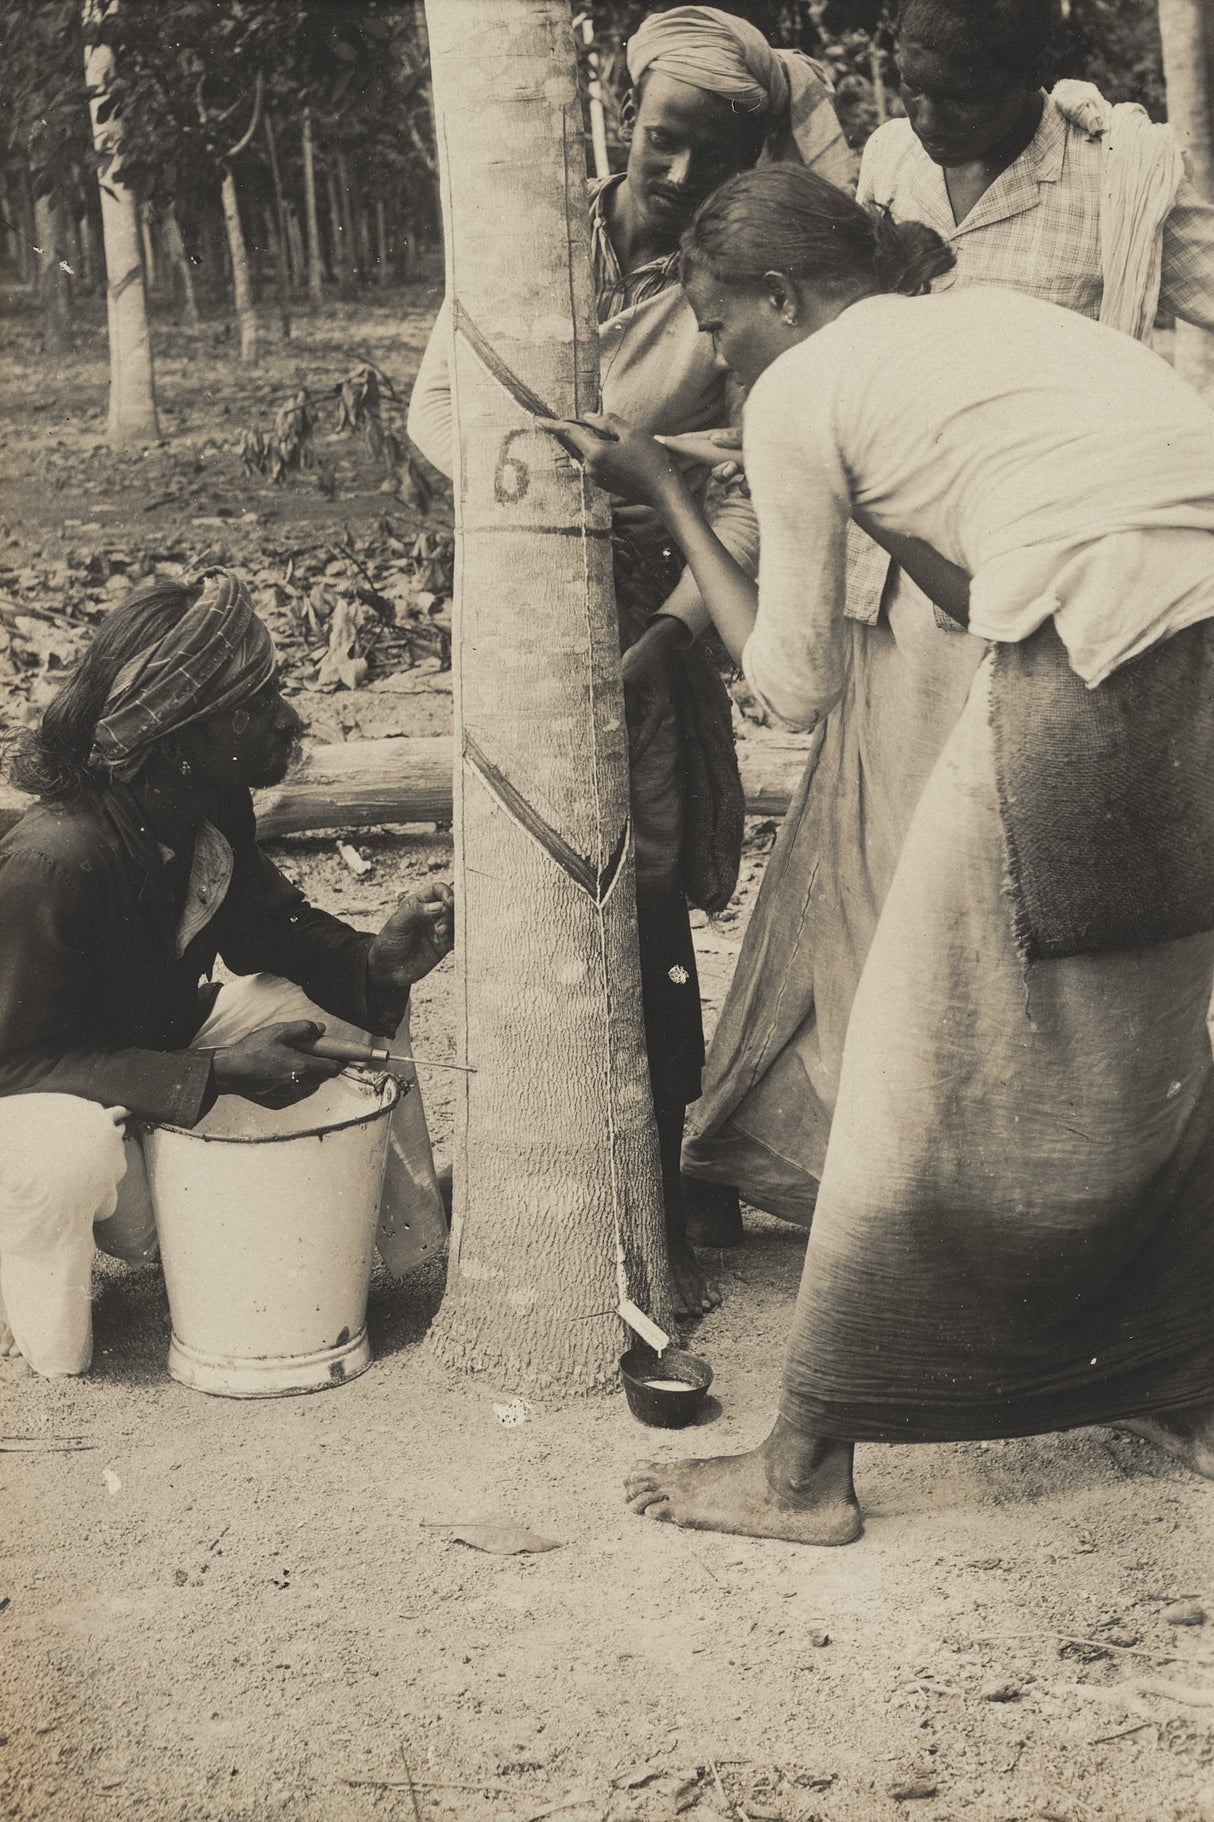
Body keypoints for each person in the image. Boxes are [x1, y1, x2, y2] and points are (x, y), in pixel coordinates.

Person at [543, 166, 1214, 1541]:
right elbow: (977, 578)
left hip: (1092, 660)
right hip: (1191, 658)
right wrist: (849, 495)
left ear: (781, 297)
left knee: (911, 1055)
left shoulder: (795, 389)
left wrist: (669, 490)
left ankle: (802, 1468)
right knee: (1143, 1055)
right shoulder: (989, 324)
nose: (716, 359)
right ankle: (1181, 1382)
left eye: (718, 327)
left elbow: (793, 686)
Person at [681, 0, 1214, 1224]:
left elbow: (788, 684)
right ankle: (951, 1178)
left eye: (961, 89)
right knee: (921, 900)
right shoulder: (905, 203)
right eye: (909, 85)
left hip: (1059, 600)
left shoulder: (1112, 170)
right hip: (959, 589)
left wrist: (692, 489)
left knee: (984, 925)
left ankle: (956, 1204)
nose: (928, 114)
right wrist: (827, 477)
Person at [406, 5, 854, 1311]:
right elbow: (440, 407)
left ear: (749, 158)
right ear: (622, 116)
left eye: (708, 153)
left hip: (661, 606)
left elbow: (750, 494)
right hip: (529, 578)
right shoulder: (535, 232)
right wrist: (552, 490)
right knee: (530, 870)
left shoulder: (738, 282)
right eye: (660, 139)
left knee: (643, 884)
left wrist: (667, 636)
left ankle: (674, 1175)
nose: (674, 172)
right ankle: (556, 1161)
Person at [0, 569, 454, 1378]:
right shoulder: (55, 861)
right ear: (178, 736)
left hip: (147, 1065)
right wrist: (213, 1075)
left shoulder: (205, 800)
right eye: (253, 704)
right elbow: (16, 1064)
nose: (290, 717)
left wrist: (373, 961)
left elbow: (263, 927)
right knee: (66, 1156)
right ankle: (41, 1329)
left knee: (347, 1010)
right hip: (47, 1099)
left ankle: (407, 1253)